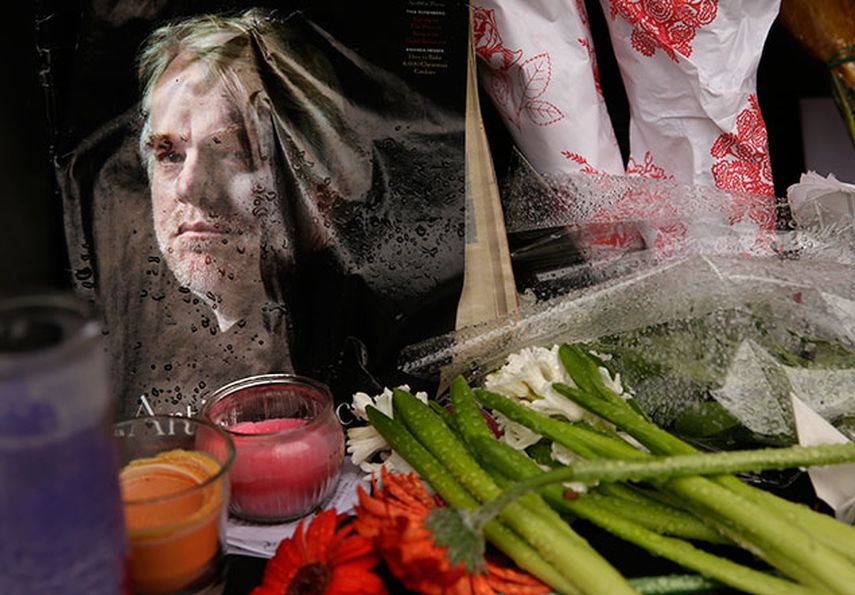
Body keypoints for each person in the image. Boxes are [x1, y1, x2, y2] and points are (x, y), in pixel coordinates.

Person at [59, 7, 466, 418]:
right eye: (169, 154)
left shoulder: (387, 348)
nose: (188, 186)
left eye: (235, 150)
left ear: (321, 180)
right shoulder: (131, 338)